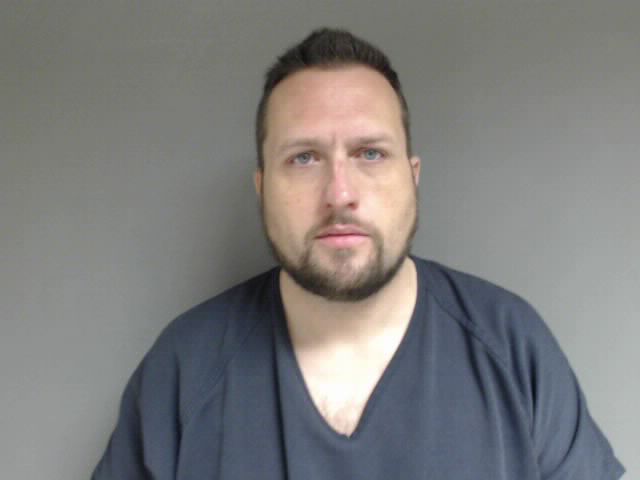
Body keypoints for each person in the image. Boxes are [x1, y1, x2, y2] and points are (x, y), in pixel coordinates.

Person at [92, 28, 625, 479]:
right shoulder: (184, 369)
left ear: (412, 177)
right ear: (262, 187)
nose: (339, 193)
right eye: (304, 158)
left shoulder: (513, 348)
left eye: (370, 153)